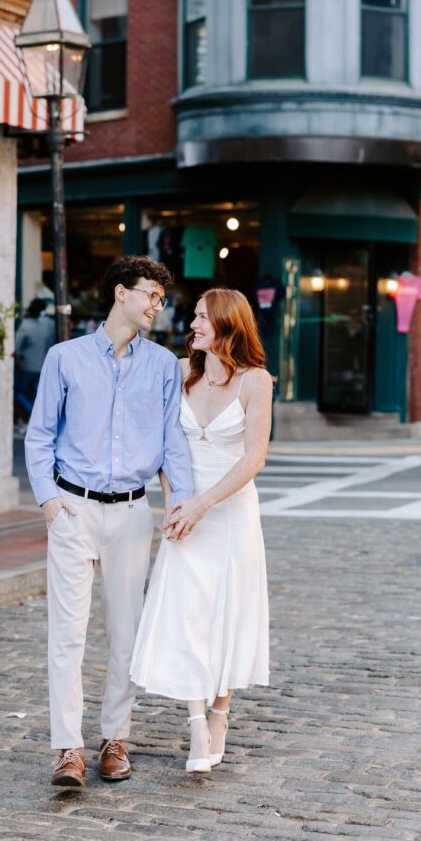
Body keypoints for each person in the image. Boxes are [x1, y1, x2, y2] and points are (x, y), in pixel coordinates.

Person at [25, 256, 193, 788]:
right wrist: (49, 502)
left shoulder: (164, 364)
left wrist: (181, 504)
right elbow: (39, 436)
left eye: (163, 301)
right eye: (150, 295)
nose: (156, 306)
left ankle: (114, 738)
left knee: (126, 634)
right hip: (73, 510)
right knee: (67, 636)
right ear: (121, 293)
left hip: (130, 513)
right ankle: (67, 749)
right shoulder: (64, 358)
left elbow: (173, 443)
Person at [130, 288, 273, 773]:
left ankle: (219, 714)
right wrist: (175, 504)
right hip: (186, 516)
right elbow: (168, 449)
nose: (191, 325)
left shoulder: (256, 381)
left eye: (200, 318)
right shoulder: (182, 376)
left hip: (230, 515)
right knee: (186, 615)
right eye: (192, 317)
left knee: (227, 615)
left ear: (226, 324)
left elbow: (254, 458)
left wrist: (204, 505)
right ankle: (194, 725)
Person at [13, 299, 55, 425]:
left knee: (18, 392)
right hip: (41, 366)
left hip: (26, 367)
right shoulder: (45, 328)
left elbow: (16, 347)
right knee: (35, 395)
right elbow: (49, 347)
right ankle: (34, 418)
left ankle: (31, 411)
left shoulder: (25, 326)